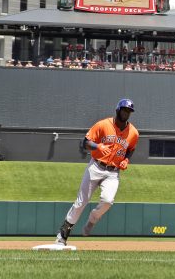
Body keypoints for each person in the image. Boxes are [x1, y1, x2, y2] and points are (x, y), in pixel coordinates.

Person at [54, 98, 139, 245]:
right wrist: (97, 147)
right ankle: (62, 236)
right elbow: (85, 142)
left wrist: (126, 160)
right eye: (125, 110)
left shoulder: (133, 132)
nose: (127, 113)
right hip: (96, 167)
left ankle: (93, 219)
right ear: (118, 110)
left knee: (107, 201)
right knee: (81, 202)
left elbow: (131, 148)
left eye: (129, 111)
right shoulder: (103, 125)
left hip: (113, 172)